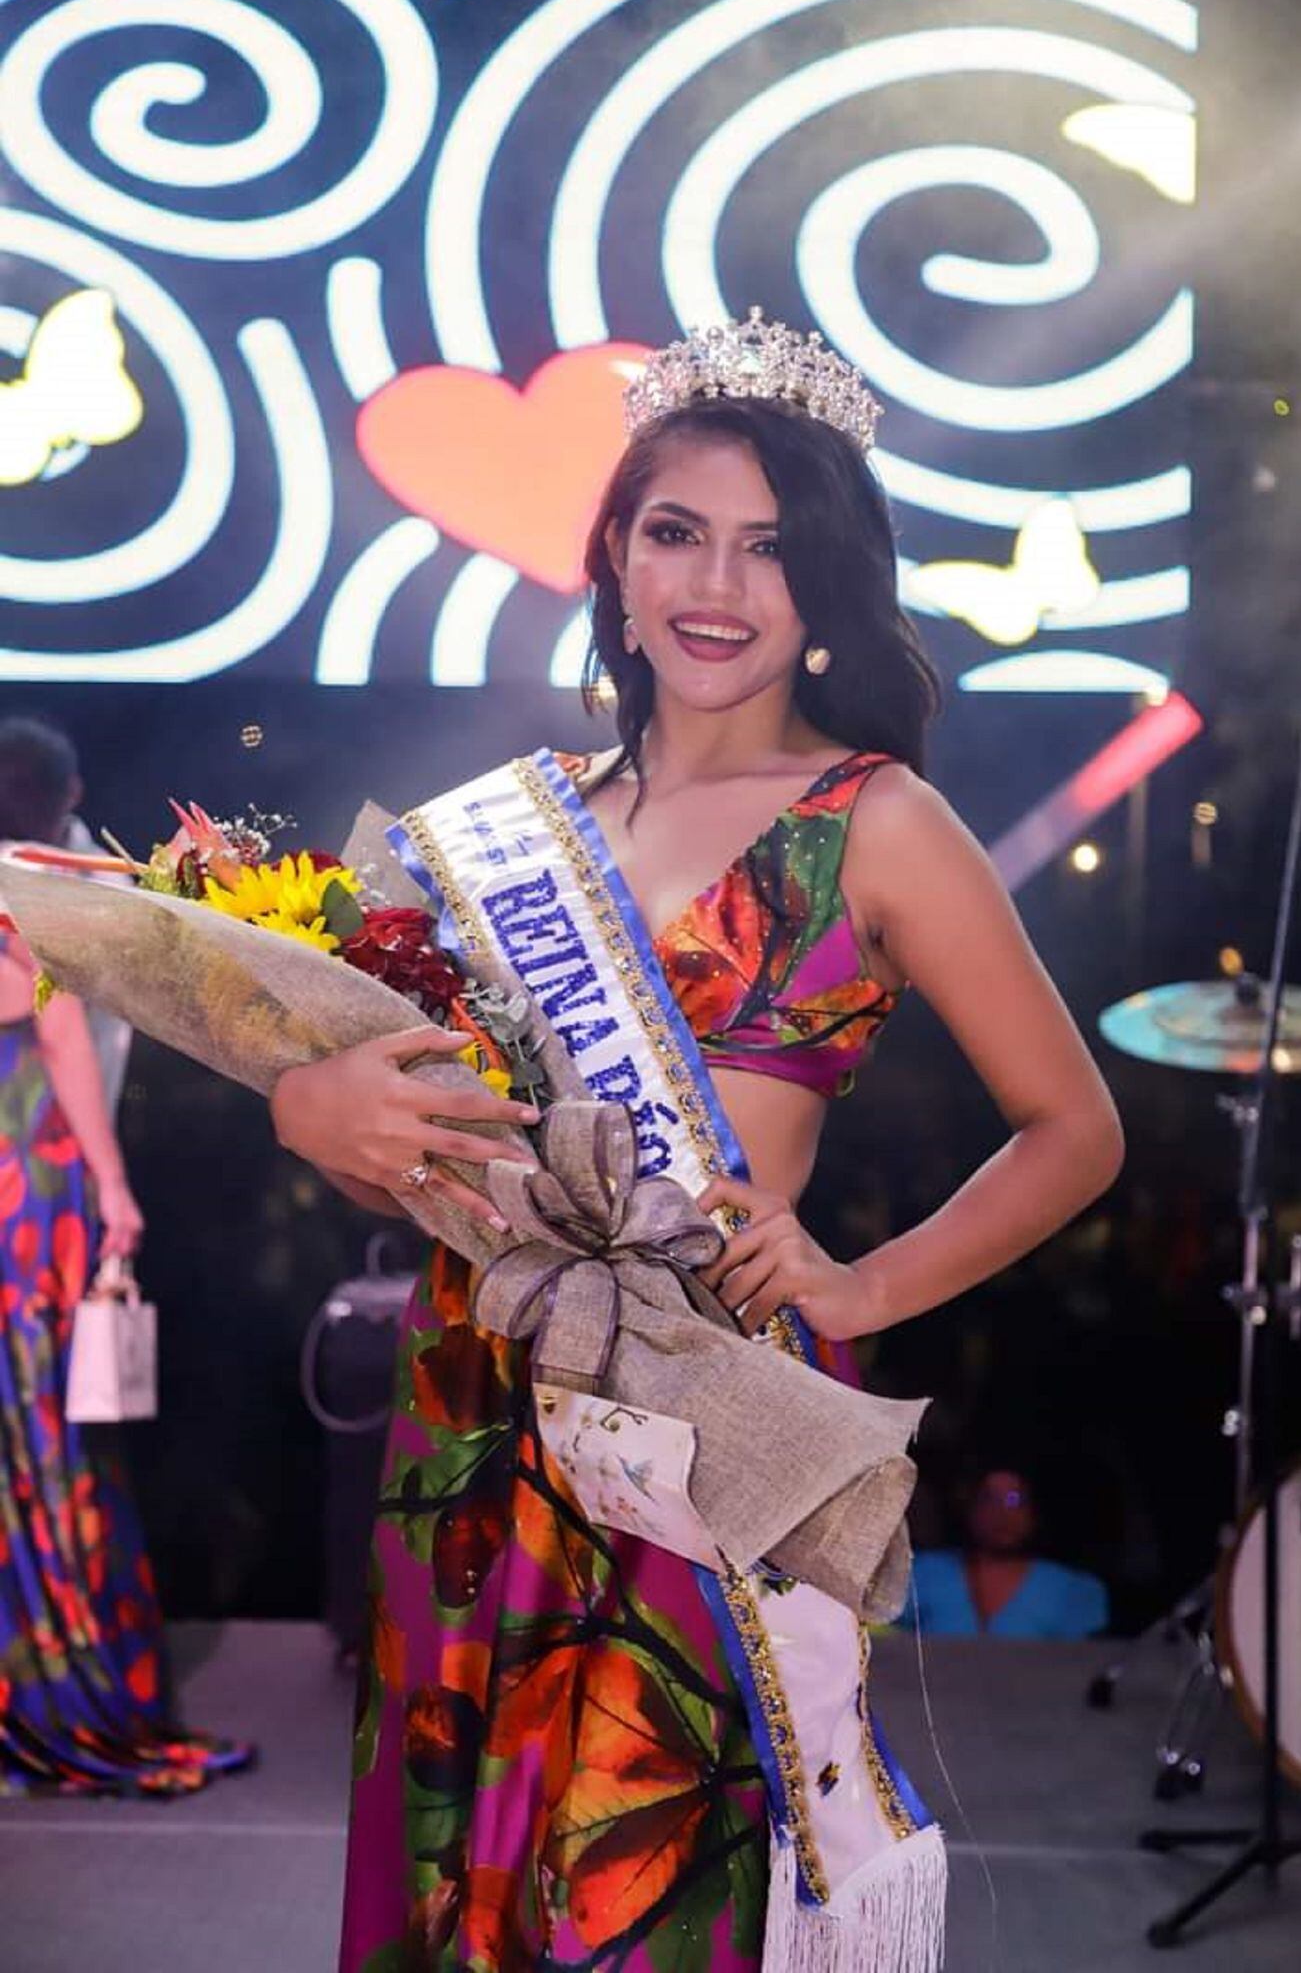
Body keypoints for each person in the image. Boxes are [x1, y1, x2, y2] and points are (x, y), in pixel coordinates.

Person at [271, 311, 1124, 1971]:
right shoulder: (500, 833)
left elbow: (1071, 1129)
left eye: (769, 548)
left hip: (699, 1421)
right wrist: (313, 1110)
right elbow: (402, 1117)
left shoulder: (873, 820)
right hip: (471, 1418)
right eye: (676, 533)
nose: (716, 588)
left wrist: (863, 1291)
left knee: (643, 1882)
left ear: (826, 592)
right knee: (465, 1877)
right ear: (612, 554)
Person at [0, 716, 251, 1796]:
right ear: (67, 792)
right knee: (47, 1430)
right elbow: (56, 1032)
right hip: (29, 1170)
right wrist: (111, 1182)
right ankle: (63, 1695)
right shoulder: (41, 887)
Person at [909, 1467, 1110, 1638]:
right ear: (968, 1507)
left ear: (1034, 1512)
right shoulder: (920, 1576)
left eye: (1015, 1500)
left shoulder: (1072, 1589)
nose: (1002, 1514)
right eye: (989, 1499)